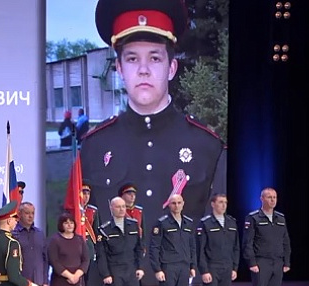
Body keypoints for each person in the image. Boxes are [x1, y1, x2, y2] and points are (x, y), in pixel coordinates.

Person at [82, 0, 226, 225]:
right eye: (132, 59)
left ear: (171, 68)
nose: (143, 70)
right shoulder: (94, 147)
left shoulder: (208, 147)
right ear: (120, 69)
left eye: (155, 58)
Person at [242, 187, 290, 286]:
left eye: (274, 197)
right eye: (269, 197)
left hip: (278, 262)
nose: (272, 200)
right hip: (261, 262)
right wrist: (252, 262)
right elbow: (247, 243)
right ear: (262, 199)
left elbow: (285, 241)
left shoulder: (280, 218)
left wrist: (286, 261)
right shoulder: (253, 218)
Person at [196, 193, 240, 286]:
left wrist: (234, 267)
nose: (223, 205)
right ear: (213, 204)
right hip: (212, 267)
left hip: (227, 267)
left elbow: (236, 247)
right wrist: (204, 270)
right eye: (220, 202)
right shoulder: (205, 223)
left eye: (225, 202)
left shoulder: (231, 223)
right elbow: (200, 250)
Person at [119, 182, 144, 286]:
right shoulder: (119, 210)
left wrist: (142, 245)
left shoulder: (139, 211)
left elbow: (142, 229)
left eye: (133, 194)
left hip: (136, 246)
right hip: (124, 247)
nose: (132, 196)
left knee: (136, 274)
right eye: (129, 194)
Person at [80, 180, 99, 286]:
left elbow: (96, 231)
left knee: (85, 279)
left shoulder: (93, 211)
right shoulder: (73, 209)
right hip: (75, 248)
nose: (86, 196)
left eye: (88, 193)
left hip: (88, 247)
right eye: (83, 193)